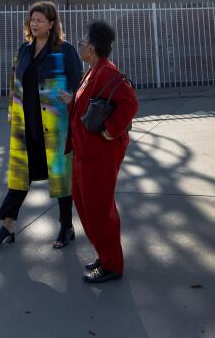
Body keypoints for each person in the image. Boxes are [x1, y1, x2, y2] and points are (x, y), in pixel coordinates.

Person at [0, 1, 83, 250]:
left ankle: (66, 227)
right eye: (32, 19)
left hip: (54, 126)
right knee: (19, 177)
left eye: (40, 20)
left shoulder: (65, 50)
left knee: (61, 176)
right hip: (25, 126)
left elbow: (80, 83)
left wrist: (73, 97)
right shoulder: (23, 50)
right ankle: (7, 225)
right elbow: (14, 85)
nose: (35, 23)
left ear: (52, 24)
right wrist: (11, 112)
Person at [69, 19, 138, 283]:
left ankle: (112, 265)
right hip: (84, 152)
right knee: (86, 205)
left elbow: (129, 103)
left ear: (93, 47)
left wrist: (111, 130)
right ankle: (104, 253)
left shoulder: (107, 72)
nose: (80, 45)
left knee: (99, 208)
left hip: (100, 153)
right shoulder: (92, 71)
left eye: (83, 42)